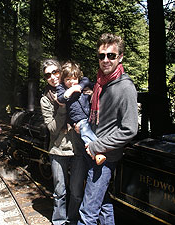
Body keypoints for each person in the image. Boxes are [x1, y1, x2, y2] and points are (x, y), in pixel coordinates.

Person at [77, 33, 138, 225]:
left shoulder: (125, 87)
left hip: (104, 156)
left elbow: (129, 129)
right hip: (92, 152)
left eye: (111, 55)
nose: (105, 60)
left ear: (120, 57)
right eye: (101, 55)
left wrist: (96, 146)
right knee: (103, 205)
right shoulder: (100, 83)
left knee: (88, 212)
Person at [40, 59, 87, 225]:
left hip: (78, 149)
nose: (52, 77)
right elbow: (52, 128)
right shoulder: (46, 100)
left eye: (55, 72)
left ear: (61, 71)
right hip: (58, 149)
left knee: (76, 192)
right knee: (60, 191)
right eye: (47, 75)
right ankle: (59, 221)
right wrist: (61, 107)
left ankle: (73, 220)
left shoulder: (77, 89)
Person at [56, 61, 106, 165]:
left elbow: (89, 82)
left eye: (74, 79)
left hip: (90, 116)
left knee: (90, 130)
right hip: (78, 118)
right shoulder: (62, 88)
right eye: (67, 79)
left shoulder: (82, 83)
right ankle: (96, 151)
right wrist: (69, 92)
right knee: (85, 130)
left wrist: (82, 88)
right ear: (63, 80)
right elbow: (60, 98)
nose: (71, 82)